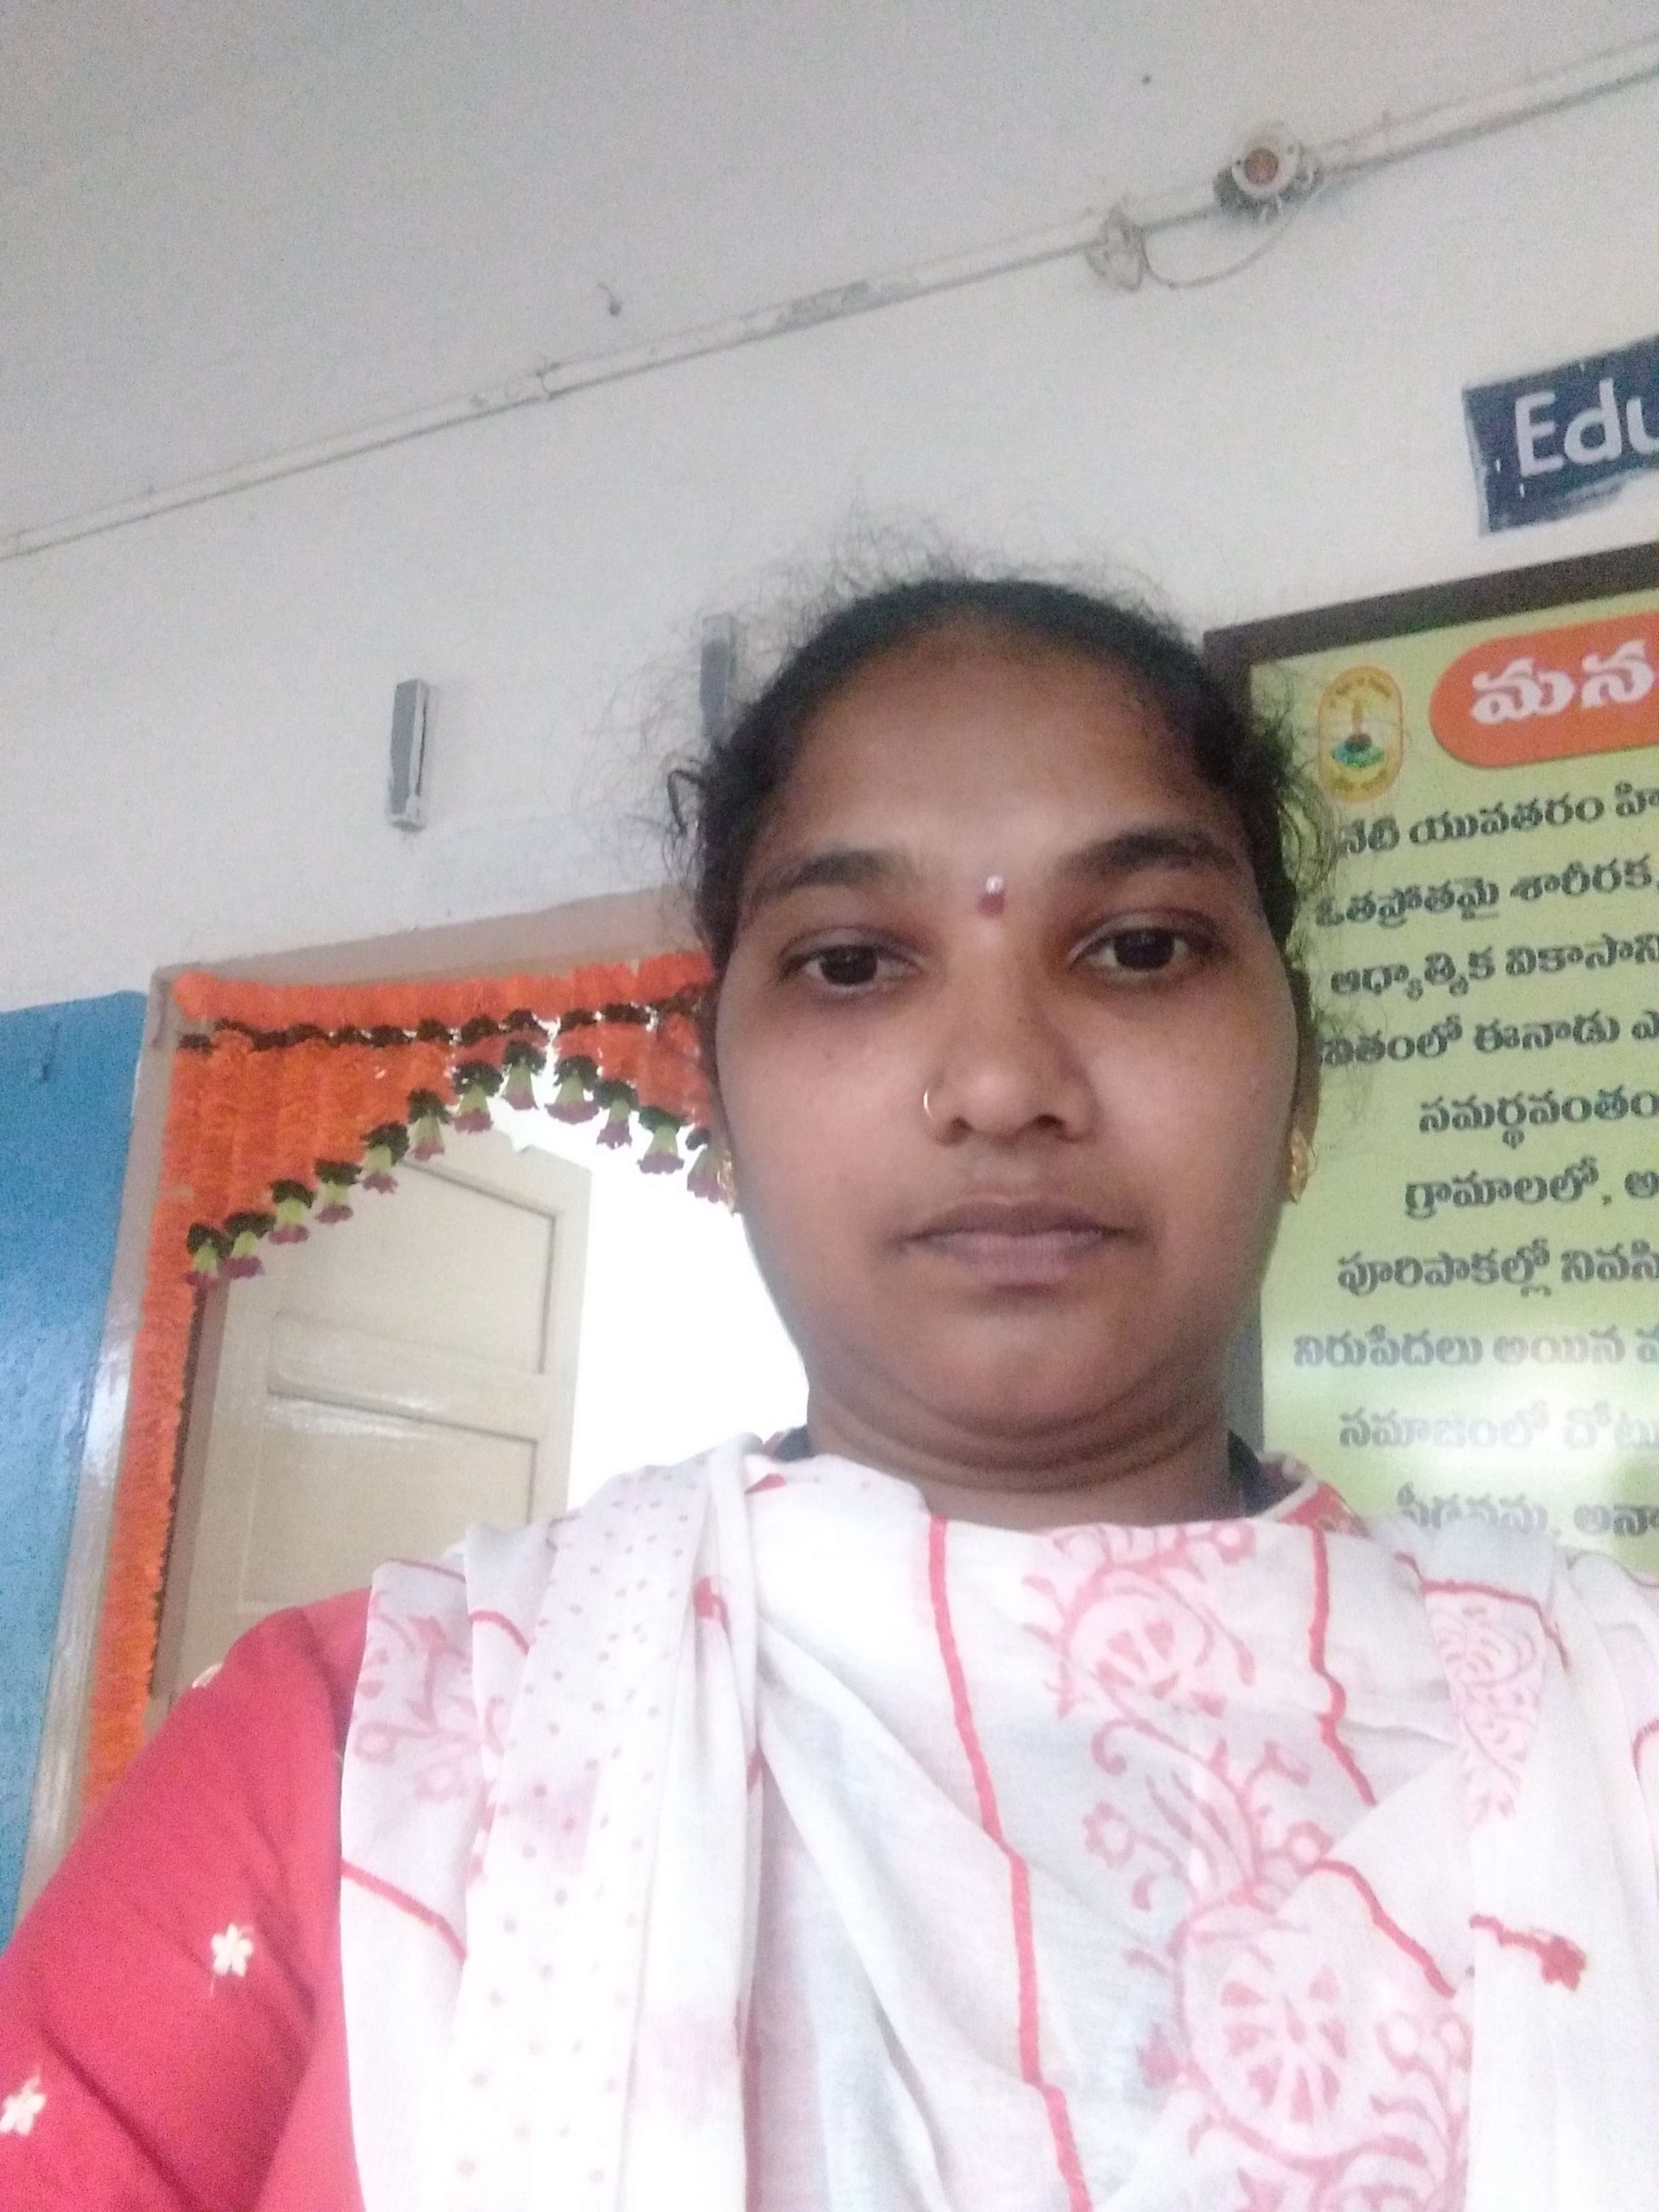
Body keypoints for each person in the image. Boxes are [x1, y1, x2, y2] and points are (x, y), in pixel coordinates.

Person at [5, 572, 1659, 2212]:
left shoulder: (1616, 1727)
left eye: (1141, 947)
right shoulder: (344, 1761)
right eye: (856, 964)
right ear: (720, 1114)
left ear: (1299, 1089)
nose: (1002, 1083)